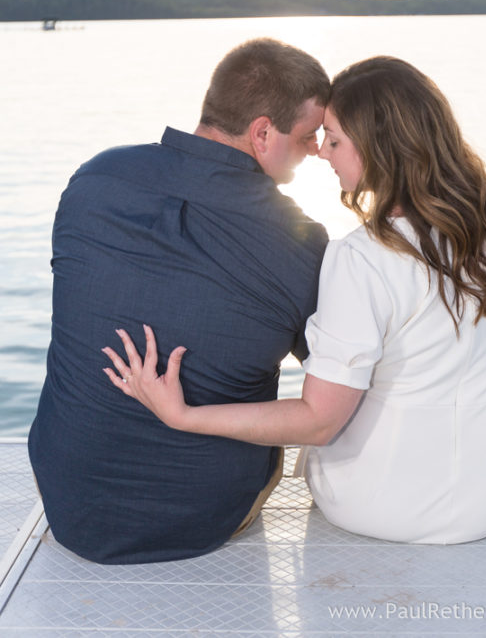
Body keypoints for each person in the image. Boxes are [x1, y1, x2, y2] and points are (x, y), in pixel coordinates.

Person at [104, 55, 486, 545]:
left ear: (381, 149)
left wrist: (183, 415)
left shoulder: (363, 258)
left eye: (334, 140)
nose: (322, 153)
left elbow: (318, 420)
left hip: (390, 504)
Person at [28, 38, 330, 564]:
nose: (315, 151)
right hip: (205, 512)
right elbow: (332, 383)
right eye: (307, 137)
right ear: (262, 132)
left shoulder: (96, 178)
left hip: (70, 501)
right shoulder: (301, 241)